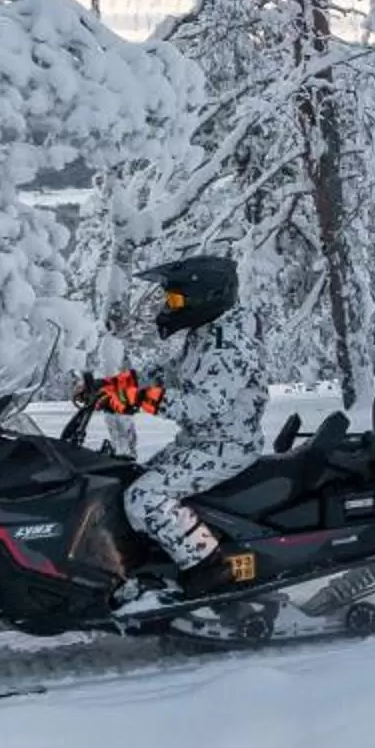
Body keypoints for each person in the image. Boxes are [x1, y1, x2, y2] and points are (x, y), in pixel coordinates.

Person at [109, 254, 268, 593]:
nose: (170, 306)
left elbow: (201, 406)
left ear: (207, 296)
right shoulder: (207, 333)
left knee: (144, 496)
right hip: (202, 442)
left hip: (226, 447)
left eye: (177, 300)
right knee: (129, 478)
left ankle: (210, 568)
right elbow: (168, 372)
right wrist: (113, 386)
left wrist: (136, 400)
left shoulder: (228, 344)